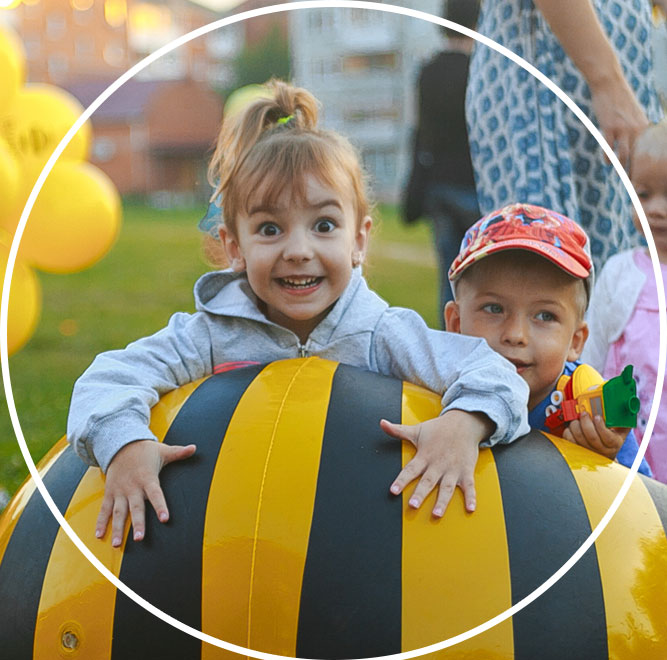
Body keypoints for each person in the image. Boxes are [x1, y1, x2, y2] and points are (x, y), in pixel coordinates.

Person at [67, 80, 530, 548]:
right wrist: (125, 445)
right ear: (235, 246)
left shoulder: (381, 333)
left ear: (359, 240)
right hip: (237, 540)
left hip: (357, 543)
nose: (298, 250)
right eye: (270, 229)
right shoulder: (209, 334)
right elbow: (106, 380)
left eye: (324, 225)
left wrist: (465, 423)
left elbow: (494, 372)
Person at [444, 203, 651, 474]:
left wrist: (604, 465)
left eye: (544, 316)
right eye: (494, 309)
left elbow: (645, 508)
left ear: (576, 342)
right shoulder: (433, 387)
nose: (515, 335)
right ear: (456, 324)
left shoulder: (594, 416)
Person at [466, 0, 663, 272]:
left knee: (631, 274)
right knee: (550, 276)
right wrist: (607, 82)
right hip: (547, 80)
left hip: (625, 84)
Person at [583, 121, 667, 482]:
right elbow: (591, 354)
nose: (657, 210)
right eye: (643, 194)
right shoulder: (619, 274)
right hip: (621, 455)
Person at [402, 0, 481, 322]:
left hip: (439, 187)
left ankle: (448, 348)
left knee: (449, 276)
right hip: (476, 184)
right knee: (484, 275)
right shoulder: (480, 72)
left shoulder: (427, 72)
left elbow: (419, 132)